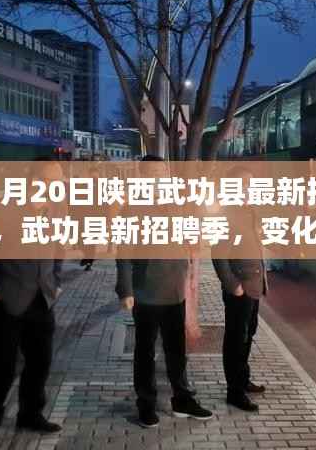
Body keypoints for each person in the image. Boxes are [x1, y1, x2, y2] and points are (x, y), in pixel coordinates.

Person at [0, 160, 65, 447]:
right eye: (54, 180)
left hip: (43, 299)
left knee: (40, 363)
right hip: (8, 299)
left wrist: (56, 280)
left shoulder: (56, 208)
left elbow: (59, 245)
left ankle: (30, 414)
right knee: (2, 367)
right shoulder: (4, 207)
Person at [115, 155, 212, 428]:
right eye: (152, 173)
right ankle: (146, 404)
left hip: (175, 289)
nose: (158, 178)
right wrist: (125, 290)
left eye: (162, 173)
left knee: (176, 350)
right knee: (145, 351)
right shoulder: (132, 208)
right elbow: (123, 253)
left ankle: (182, 399)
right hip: (146, 291)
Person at [212, 166, 268, 412]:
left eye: (250, 185)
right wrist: (231, 284)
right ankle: (234, 392)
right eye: (243, 184)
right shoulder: (227, 214)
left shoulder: (250, 211)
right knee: (236, 338)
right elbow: (218, 254)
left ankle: (243, 380)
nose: (248, 189)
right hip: (240, 287)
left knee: (248, 333)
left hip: (254, 285)